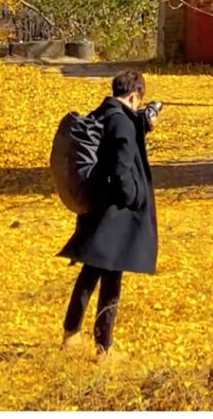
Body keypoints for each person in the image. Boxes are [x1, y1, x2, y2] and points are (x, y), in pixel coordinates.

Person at [58, 69, 159, 355]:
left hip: (97, 205)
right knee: (111, 281)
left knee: (90, 272)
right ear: (134, 95)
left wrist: (142, 125)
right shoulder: (122, 123)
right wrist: (134, 196)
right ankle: (104, 347)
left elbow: (113, 146)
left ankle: (71, 335)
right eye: (139, 101)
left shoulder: (103, 113)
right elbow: (121, 166)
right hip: (116, 212)